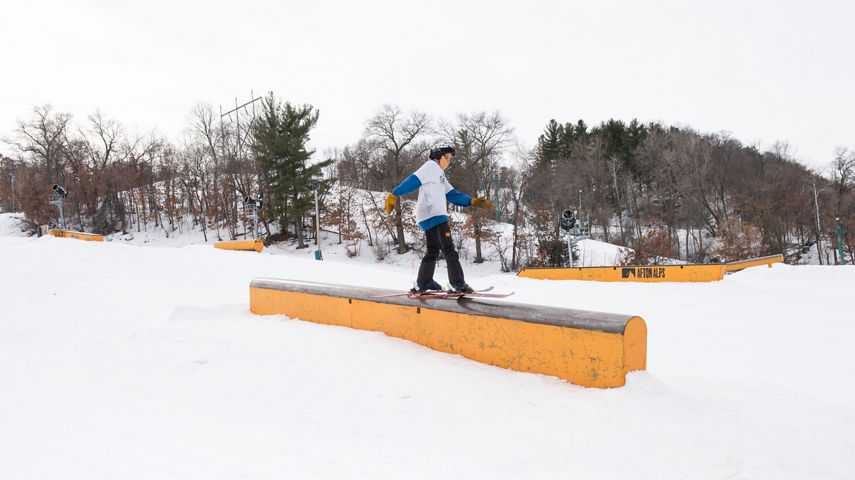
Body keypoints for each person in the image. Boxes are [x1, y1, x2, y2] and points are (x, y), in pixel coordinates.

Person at [384, 144, 493, 293]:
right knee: (449, 249)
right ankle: (458, 284)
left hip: (428, 215)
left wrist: (472, 201)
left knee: (433, 250)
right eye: (446, 158)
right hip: (435, 213)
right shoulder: (431, 166)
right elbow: (413, 180)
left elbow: (452, 194)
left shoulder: (439, 174)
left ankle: (424, 282)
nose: (448, 162)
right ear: (438, 156)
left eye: (449, 159)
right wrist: (395, 194)